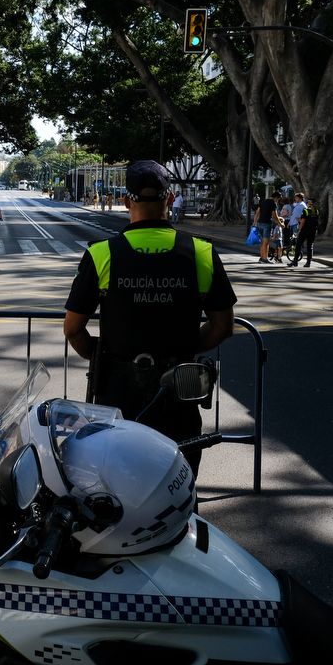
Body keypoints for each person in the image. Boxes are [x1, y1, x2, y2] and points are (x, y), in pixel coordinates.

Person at [63, 161, 237, 474]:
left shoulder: (103, 254)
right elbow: (223, 326)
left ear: (127, 201)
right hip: (180, 391)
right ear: (169, 200)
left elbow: (73, 328)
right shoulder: (201, 253)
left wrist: (100, 357)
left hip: (117, 391)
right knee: (177, 479)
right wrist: (186, 351)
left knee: (116, 482)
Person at [290, 197, 321, 267]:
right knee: (310, 246)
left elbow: (303, 222)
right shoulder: (316, 211)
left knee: (298, 245)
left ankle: (295, 261)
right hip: (313, 231)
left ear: (308, 203)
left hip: (304, 230)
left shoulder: (306, 210)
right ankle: (308, 263)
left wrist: (299, 230)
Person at [253, 189, 281, 264]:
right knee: (266, 242)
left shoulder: (262, 201)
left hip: (259, 223)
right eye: (278, 199)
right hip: (267, 224)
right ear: (276, 198)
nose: (277, 201)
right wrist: (280, 224)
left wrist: (254, 222)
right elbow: (274, 215)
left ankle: (261, 257)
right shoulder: (273, 203)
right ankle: (265, 258)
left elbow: (257, 212)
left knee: (262, 242)